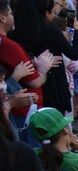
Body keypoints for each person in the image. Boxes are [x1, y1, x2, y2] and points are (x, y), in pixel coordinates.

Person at [12, 0, 78, 116]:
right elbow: (74, 54)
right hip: (55, 84)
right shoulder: (51, 31)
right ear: (45, 12)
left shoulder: (17, 34)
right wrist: (77, 31)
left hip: (33, 87)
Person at [0, 0, 53, 144]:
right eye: (11, 13)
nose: (13, 17)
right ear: (2, 18)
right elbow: (35, 81)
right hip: (24, 113)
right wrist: (43, 67)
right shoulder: (9, 46)